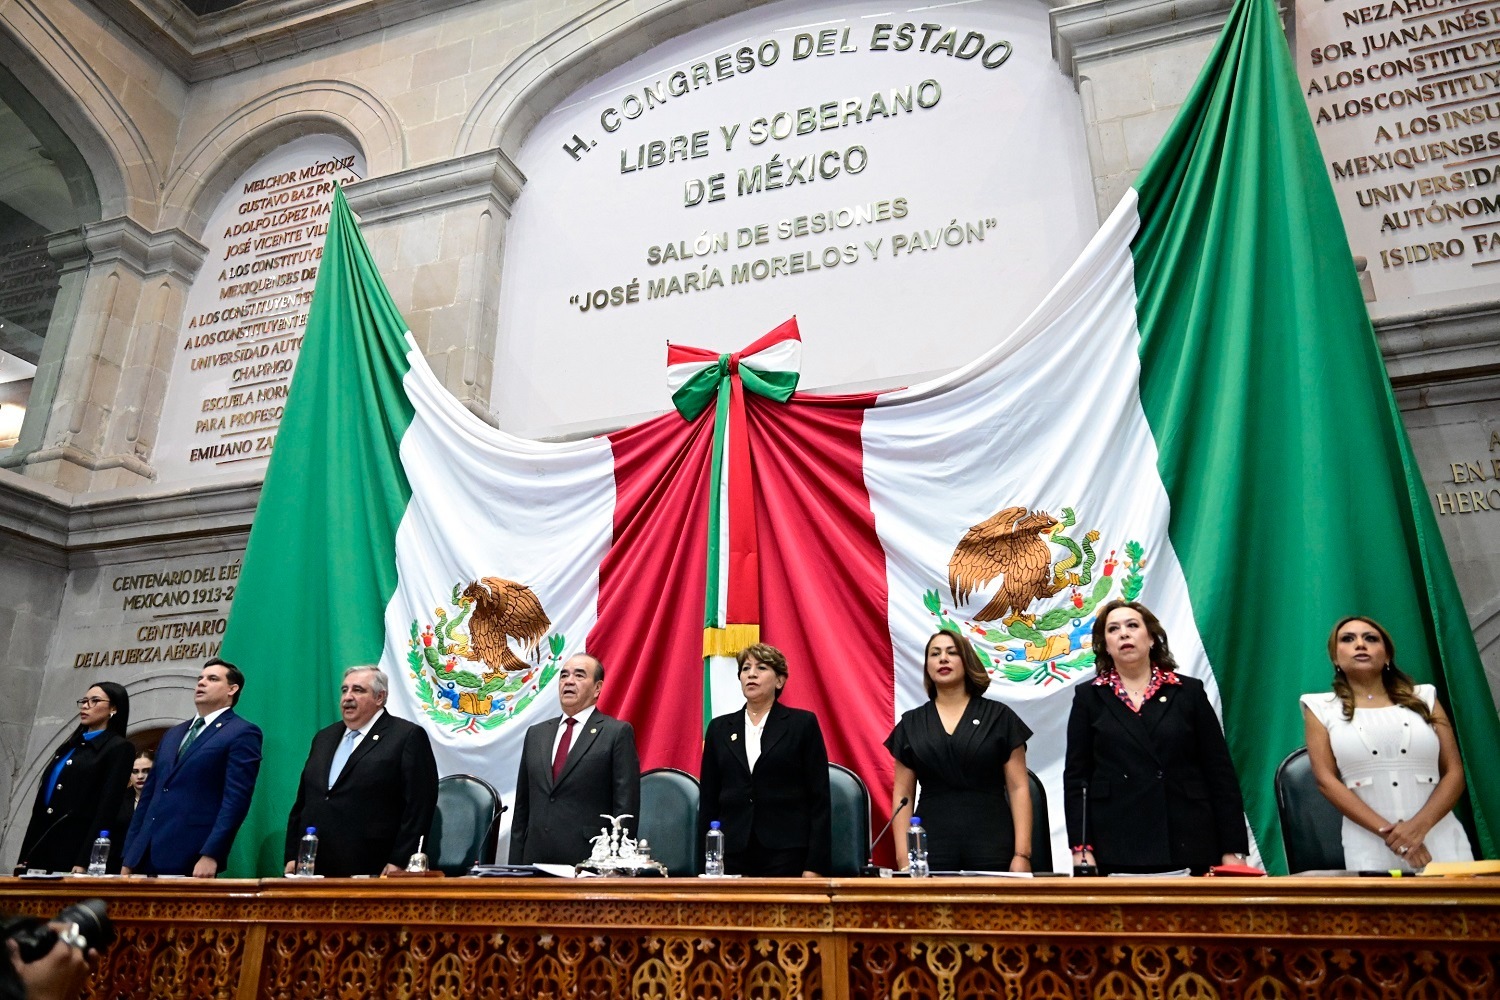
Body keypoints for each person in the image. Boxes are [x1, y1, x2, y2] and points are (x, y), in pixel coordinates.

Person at [1065, 600, 1248, 874]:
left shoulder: (1188, 692)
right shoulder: (1089, 697)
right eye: (1113, 629)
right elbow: (1078, 779)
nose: (1124, 634)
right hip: (1115, 841)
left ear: (1151, 638)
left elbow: (1219, 774)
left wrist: (1232, 849)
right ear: (1105, 644)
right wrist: (1081, 849)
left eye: (1132, 625)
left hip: (1188, 838)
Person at [1300, 615, 1473, 870]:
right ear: (1335, 658)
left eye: (1370, 638)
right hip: (1370, 845)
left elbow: (1454, 772)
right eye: (1348, 639)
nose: (1360, 644)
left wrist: (1417, 829)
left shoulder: (1425, 697)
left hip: (1440, 837)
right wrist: (1391, 835)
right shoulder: (1321, 708)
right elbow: (1325, 780)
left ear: (1387, 655)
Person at [886, 631, 1033, 872]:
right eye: (935, 654)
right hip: (930, 850)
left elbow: (1018, 788)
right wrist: (904, 861)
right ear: (927, 668)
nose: (943, 659)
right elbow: (903, 796)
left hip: (994, 844)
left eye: (951, 652)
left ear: (967, 661)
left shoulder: (1000, 717)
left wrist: (1022, 854)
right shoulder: (911, 724)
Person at [283, 666, 439, 876]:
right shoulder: (325, 737)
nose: (347, 697)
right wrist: (293, 854)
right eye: (345, 690)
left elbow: (419, 806)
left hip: (373, 864)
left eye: (358, 690)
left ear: (379, 697)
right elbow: (304, 800)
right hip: (315, 864)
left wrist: (400, 861)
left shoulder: (406, 736)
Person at [698, 643, 831, 877]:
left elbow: (819, 799)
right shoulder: (719, 729)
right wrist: (706, 860)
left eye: (761, 668)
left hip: (787, 852)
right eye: (745, 668)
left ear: (779, 681)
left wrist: (815, 866)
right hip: (731, 852)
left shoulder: (802, 725)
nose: (751, 674)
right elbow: (709, 801)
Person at [122, 658, 263, 877]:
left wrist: (211, 854)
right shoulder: (173, 734)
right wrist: (130, 855)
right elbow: (149, 797)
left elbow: (236, 800)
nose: (201, 683)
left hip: (191, 855)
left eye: (212, 679)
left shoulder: (241, 732)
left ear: (232, 689)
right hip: (144, 855)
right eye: (200, 679)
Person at [509, 654, 640, 865]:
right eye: (564, 676)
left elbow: (625, 809)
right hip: (534, 862)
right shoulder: (536, 734)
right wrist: (515, 868)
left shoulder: (616, 733)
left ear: (597, 688)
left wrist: (617, 866)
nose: (569, 681)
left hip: (589, 862)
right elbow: (522, 809)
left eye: (579, 675)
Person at [14, 683, 134, 875]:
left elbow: (107, 807)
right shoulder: (71, 746)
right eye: (84, 701)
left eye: (95, 701)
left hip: (74, 849)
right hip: (42, 845)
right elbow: (42, 806)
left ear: (114, 708)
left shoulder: (118, 748)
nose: (86, 706)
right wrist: (25, 856)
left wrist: (86, 858)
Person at [108, 750, 155, 873]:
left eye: (146, 771)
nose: (140, 776)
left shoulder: (162, 799)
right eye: (135, 771)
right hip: (119, 866)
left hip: (152, 867)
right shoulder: (118, 799)